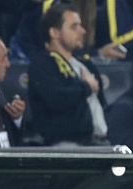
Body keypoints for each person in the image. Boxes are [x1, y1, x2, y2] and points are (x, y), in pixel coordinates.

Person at [28, 4, 109, 146]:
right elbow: (57, 98)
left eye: (81, 26)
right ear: (54, 32)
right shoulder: (43, 63)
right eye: (74, 27)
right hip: (65, 144)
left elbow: (101, 103)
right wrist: (86, 87)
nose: (82, 31)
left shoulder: (85, 64)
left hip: (98, 141)